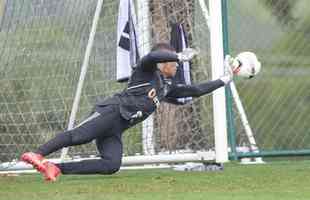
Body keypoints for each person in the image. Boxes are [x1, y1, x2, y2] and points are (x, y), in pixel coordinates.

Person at [21, 43, 237, 181]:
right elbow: (152, 56)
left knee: (111, 165)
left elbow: (196, 90)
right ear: (165, 63)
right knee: (79, 137)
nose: (177, 66)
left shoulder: (166, 87)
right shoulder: (145, 70)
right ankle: (38, 153)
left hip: (117, 128)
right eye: (173, 63)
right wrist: (179, 55)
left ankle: (56, 168)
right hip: (111, 112)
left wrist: (225, 79)